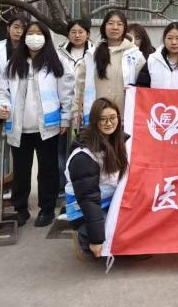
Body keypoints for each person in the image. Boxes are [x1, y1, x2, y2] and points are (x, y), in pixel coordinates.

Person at [0, 21, 75, 227]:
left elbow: (67, 93)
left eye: (39, 33)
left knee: (48, 171)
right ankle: (20, 208)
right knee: (21, 171)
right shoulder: (14, 63)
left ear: (46, 38)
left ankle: (46, 209)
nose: (34, 37)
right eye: (30, 33)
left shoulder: (56, 63)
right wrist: (2, 106)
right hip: (19, 127)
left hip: (47, 127)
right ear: (24, 38)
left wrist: (65, 118)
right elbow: (1, 90)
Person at [65, 97, 128, 260]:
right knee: (120, 233)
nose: (109, 123)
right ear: (94, 121)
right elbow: (89, 200)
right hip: (85, 209)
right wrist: (97, 239)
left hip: (111, 201)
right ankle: (85, 238)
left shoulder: (120, 141)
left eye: (113, 118)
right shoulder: (83, 156)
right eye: (103, 119)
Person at [73, 10, 145, 128]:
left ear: (124, 28)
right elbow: (80, 85)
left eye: (119, 24)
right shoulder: (92, 54)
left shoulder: (135, 55)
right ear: (104, 27)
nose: (115, 27)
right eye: (110, 23)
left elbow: (143, 87)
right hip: (97, 117)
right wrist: (76, 110)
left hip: (124, 118)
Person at [0, 14, 28, 200]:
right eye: (16, 27)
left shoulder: (31, 51)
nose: (19, 31)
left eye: (23, 28)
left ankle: (16, 187)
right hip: (0, 107)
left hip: (24, 109)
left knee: (19, 150)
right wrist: (2, 103)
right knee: (0, 148)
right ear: (8, 29)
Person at [57, 18, 94, 197]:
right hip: (62, 106)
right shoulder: (59, 53)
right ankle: (62, 186)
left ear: (88, 34)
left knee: (84, 148)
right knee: (61, 149)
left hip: (85, 107)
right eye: (73, 32)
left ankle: (81, 186)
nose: (77, 35)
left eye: (81, 32)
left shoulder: (94, 53)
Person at [137, 22, 178, 89]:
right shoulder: (152, 59)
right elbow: (142, 86)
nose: (174, 42)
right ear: (164, 39)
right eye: (169, 38)